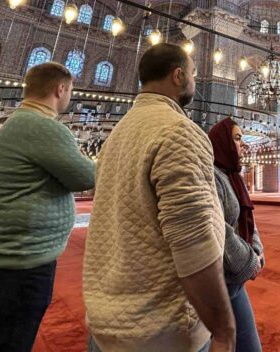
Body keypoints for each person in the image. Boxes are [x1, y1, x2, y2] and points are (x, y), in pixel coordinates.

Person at [84, 43, 234, 352]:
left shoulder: (118, 133)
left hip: (107, 320)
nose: (194, 80)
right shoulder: (178, 131)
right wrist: (223, 329)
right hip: (161, 329)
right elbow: (193, 243)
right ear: (178, 76)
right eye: (192, 73)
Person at [0, 62, 96, 352]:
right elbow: (87, 177)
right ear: (61, 89)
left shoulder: (19, 123)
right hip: (14, 269)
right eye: (70, 90)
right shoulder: (43, 127)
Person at [207, 118, 263, 352]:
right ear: (222, 142)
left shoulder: (234, 177)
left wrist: (258, 251)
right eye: (237, 139)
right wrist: (250, 262)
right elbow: (221, 231)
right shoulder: (211, 177)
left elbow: (248, 219)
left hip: (234, 285)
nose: (243, 145)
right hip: (215, 286)